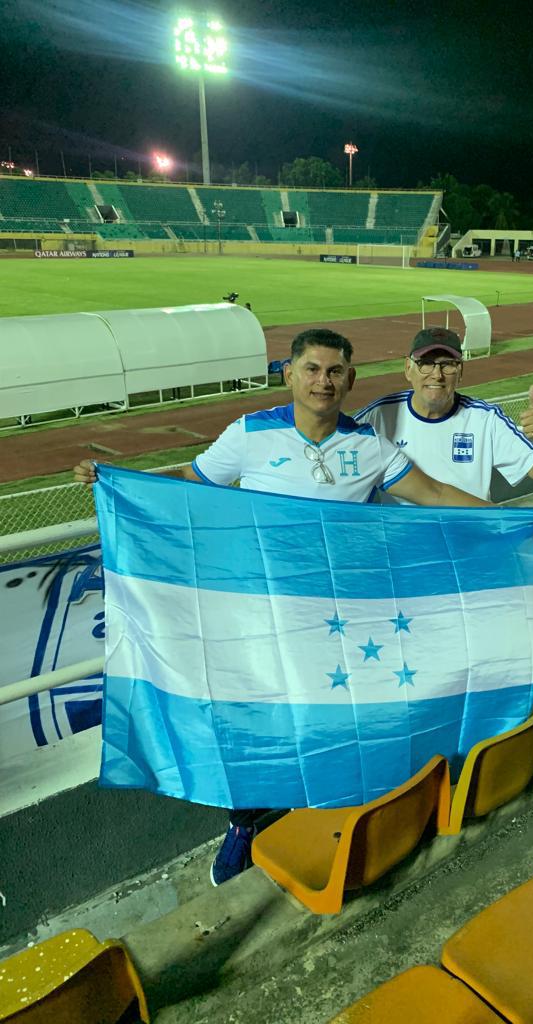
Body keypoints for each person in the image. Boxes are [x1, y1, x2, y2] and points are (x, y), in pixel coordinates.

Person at [74, 328, 501, 886]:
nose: (323, 381)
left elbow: (438, 496)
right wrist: (116, 481)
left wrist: (502, 520)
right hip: (263, 615)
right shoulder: (250, 434)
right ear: (290, 375)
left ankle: (329, 804)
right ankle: (246, 823)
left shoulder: (369, 446)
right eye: (312, 369)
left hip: (338, 618)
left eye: (335, 372)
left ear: (350, 379)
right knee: (261, 718)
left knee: (335, 715)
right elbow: (190, 482)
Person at [355, 327, 533, 504]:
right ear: (408, 369)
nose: (437, 375)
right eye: (426, 363)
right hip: (405, 543)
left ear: (461, 371)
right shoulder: (378, 417)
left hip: (469, 540)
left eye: (447, 364)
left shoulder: (485, 419)